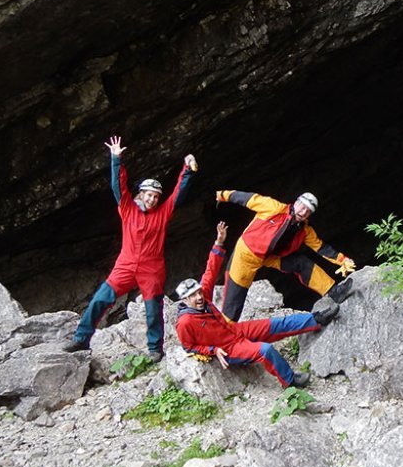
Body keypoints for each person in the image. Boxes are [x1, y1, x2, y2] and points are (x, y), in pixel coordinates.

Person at [64, 136, 196, 360]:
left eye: (156, 196)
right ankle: (81, 338)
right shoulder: (128, 209)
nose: (153, 199)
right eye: (149, 195)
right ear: (141, 195)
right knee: (100, 299)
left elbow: (178, 193)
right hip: (125, 264)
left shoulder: (162, 214)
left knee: (153, 309)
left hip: (152, 267)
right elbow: (118, 186)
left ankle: (155, 349)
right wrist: (116, 159)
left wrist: (188, 169)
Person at [175, 222, 335, 388]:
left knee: (277, 323)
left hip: (234, 330)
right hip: (229, 348)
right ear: (185, 300)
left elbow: (210, 272)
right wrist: (213, 350)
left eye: (198, 292)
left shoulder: (204, 297)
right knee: (265, 350)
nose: (199, 297)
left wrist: (219, 243)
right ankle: (290, 381)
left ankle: (318, 319)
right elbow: (189, 347)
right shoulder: (185, 322)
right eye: (192, 296)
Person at [216, 189, 356, 321]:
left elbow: (320, 247)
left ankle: (334, 292)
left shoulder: (304, 230)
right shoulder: (274, 208)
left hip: (272, 256)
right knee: (235, 297)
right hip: (247, 253)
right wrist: (222, 194)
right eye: (302, 206)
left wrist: (342, 260)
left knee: (302, 263)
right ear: (296, 202)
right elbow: (248, 198)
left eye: (308, 211)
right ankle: (224, 332)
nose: (303, 211)